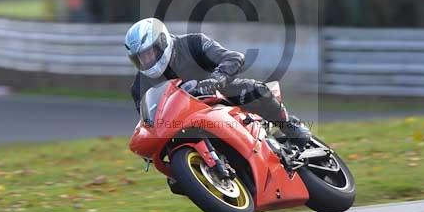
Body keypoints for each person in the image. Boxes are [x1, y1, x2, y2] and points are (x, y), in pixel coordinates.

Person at [125, 17, 312, 146]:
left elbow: (232, 57)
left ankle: (288, 125)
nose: (147, 60)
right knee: (174, 178)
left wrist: (218, 78)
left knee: (255, 90)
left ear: (162, 42)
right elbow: (148, 123)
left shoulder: (193, 43)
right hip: (183, 120)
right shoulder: (139, 87)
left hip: (218, 95)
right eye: (141, 57)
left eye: (150, 53)